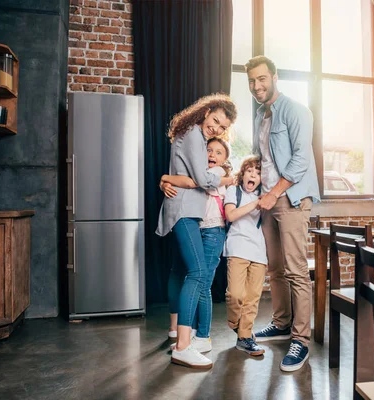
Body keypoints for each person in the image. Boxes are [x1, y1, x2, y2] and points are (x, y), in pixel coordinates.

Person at [246, 56, 320, 372]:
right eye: (251, 81)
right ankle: (281, 324)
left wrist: (274, 193)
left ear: (274, 77)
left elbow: (302, 158)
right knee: (274, 269)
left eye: (262, 78)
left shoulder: (297, 111)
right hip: (268, 201)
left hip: (290, 199)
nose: (257, 85)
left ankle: (301, 340)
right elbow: (262, 160)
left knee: (296, 270)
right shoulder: (261, 116)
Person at [156, 93, 236, 369]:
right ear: (206, 112)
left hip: (185, 209)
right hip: (185, 211)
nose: (217, 129)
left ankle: (176, 332)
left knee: (180, 270)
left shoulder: (197, 137)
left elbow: (194, 178)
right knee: (199, 273)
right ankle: (183, 347)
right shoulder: (192, 133)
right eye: (215, 121)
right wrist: (224, 176)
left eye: (223, 127)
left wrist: (170, 178)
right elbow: (203, 179)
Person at [223, 156, 266, 357]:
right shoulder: (233, 191)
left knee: (252, 298)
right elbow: (230, 215)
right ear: (243, 174)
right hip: (237, 248)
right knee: (235, 295)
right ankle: (235, 322)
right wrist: (257, 203)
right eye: (250, 171)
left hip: (259, 252)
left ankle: (245, 338)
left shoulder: (264, 195)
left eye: (258, 173)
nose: (253, 175)